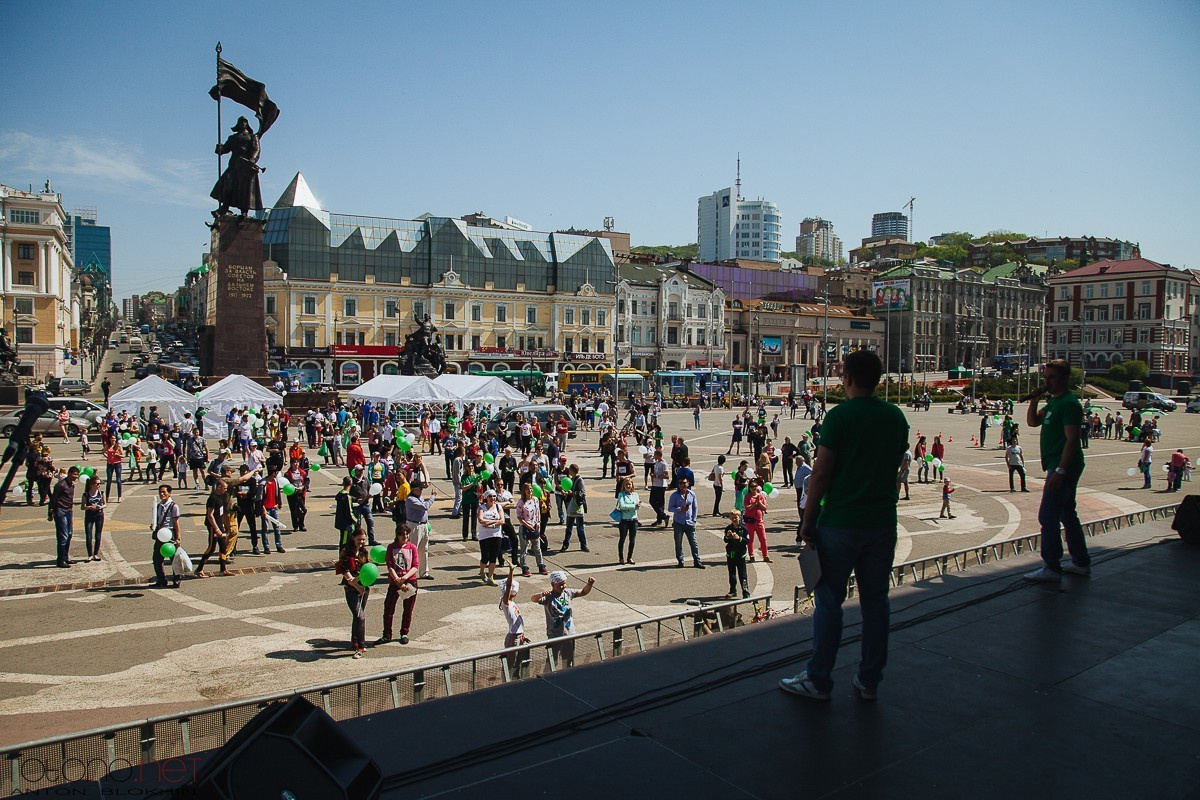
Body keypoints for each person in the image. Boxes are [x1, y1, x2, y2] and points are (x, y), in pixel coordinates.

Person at [780, 349, 908, 702]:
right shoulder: (896, 417)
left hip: (840, 522)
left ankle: (819, 679)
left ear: (847, 377)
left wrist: (808, 521)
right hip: (882, 521)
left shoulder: (839, 417)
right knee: (876, 602)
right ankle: (869, 680)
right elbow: (897, 461)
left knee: (829, 601)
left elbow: (821, 474)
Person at [1023, 359, 1090, 582]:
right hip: (1058, 464)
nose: (1047, 381)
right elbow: (1033, 422)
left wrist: (1060, 470)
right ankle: (1080, 562)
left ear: (1064, 378)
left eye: (1051, 377)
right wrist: (1034, 401)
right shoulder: (1053, 402)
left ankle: (1051, 567)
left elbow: (1073, 440)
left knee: (1048, 515)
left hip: (1063, 466)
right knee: (1067, 513)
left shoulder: (1069, 403)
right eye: (1045, 377)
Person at [532, 571, 595, 668]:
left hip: (569, 634)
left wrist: (590, 584)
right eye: (560, 584)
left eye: (564, 583)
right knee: (552, 662)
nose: (563, 586)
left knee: (568, 662)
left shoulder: (568, 593)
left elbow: (583, 592)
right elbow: (533, 599)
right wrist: (541, 595)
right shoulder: (548, 597)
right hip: (554, 636)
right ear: (553, 584)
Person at [378, 524, 419, 645]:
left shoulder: (412, 547)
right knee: (388, 608)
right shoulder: (391, 547)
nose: (405, 537)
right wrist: (397, 579)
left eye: (406, 534)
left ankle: (404, 632)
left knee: (408, 609)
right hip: (395, 582)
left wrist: (405, 578)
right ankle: (387, 634)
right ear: (397, 535)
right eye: (402, 535)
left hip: (410, 581)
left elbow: (415, 566)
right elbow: (390, 565)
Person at [336, 527, 371, 658]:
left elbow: (367, 569)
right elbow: (345, 572)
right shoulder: (346, 551)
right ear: (353, 538)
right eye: (359, 539)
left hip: (364, 587)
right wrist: (358, 588)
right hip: (351, 588)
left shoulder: (364, 552)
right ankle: (361, 646)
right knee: (360, 616)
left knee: (358, 615)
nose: (361, 542)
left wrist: (365, 586)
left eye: (363, 539)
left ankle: (354, 640)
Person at [194, 479, 232, 577]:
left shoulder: (221, 497)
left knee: (223, 546)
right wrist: (217, 529)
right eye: (224, 488)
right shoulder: (212, 498)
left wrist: (223, 525)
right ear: (219, 487)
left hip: (220, 524)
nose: (225, 490)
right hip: (213, 526)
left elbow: (220, 513)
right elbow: (210, 515)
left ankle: (223, 569)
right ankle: (199, 569)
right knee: (211, 548)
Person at [667, 476, 704, 569]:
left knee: (694, 543)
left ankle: (697, 561)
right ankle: (680, 561)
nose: (682, 485)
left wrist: (694, 519)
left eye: (684, 483)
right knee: (678, 543)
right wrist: (680, 509)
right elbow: (670, 508)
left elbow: (695, 507)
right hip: (678, 522)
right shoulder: (674, 495)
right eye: (680, 483)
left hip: (689, 522)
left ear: (688, 483)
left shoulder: (692, 494)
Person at [150, 484, 181, 588]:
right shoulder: (159, 506)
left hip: (170, 534)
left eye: (164, 492)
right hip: (160, 534)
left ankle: (176, 579)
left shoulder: (173, 506)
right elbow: (157, 519)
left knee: (173, 558)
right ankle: (161, 579)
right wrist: (153, 525)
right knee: (157, 559)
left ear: (169, 493)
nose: (162, 494)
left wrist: (178, 537)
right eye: (160, 492)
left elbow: (176, 523)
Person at [404, 481, 436, 580]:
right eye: (419, 489)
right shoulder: (410, 499)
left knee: (424, 549)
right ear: (413, 490)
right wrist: (433, 497)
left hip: (423, 525)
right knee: (413, 550)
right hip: (414, 526)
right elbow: (425, 506)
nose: (421, 491)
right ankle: (409, 572)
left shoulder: (419, 497)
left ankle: (424, 572)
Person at [50, 466, 80, 568]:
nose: (76, 476)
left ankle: (66, 557)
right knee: (63, 537)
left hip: (68, 510)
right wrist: (51, 512)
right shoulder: (61, 485)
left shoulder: (72, 485)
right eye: (74, 474)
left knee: (70, 534)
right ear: (69, 473)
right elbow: (53, 499)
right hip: (60, 510)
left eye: (77, 474)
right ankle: (60, 560)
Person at [515, 482, 546, 577]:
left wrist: (539, 522)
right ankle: (524, 567)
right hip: (525, 527)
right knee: (524, 549)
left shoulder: (535, 499)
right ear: (524, 491)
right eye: (528, 489)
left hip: (535, 526)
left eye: (531, 489)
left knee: (537, 547)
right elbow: (519, 516)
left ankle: (541, 565)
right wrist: (527, 525)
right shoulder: (521, 502)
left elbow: (538, 512)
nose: (530, 491)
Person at [477, 489, 505, 585]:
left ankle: (490, 577)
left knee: (493, 557)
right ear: (486, 498)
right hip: (484, 536)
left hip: (496, 535)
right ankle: (482, 570)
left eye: (494, 496)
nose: (492, 498)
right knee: (485, 557)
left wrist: (491, 524)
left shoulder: (498, 507)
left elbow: (502, 521)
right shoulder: (482, 508)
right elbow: (481, 520)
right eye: (490, 496)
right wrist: (494, 522)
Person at [560, 465, 589, 552]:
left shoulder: (579, 480)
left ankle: (583, 545)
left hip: (577, 506)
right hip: (571, 506)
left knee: (580, 527)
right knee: (569, 527)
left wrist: (572, 493)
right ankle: (565, 544)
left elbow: (582, 492)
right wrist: (566, 493)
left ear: (572, 470)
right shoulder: (571, 479)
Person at [723, 510, 750, 599]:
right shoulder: (728, 528)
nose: (734, 519)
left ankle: (745, 591)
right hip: (731, 554)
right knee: (732, 574)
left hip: (740, 554)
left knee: (742, 575)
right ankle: (733, 590)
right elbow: (725, 540)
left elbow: (747, 541)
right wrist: (728, 536)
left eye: (736, 517)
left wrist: (739, 538)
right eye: (732, 518)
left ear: (739, 517)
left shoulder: (744, 529)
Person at [615, 477, 641, 565]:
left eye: (629, 484)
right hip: (624, 520)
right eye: (626, 484)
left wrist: (631, 506)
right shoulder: (621, 494)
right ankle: (621, 557)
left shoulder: (635, 494)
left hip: (634, 520)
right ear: (624, 486)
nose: (628, 486)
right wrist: (633, 505)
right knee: (622, 539)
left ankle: (629, 557)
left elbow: (639, 506)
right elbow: (622, 506)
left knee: (632, 540)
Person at [81, 475, 105, 562]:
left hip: (99, 515)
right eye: (97, 484)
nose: (98, 485)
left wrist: (101, 507)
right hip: (89, 516)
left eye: (99, 484)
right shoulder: (86, 494)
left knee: (98, 535)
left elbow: (104, 504)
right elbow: (82, 507)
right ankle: (89, 555)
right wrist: (90, 507)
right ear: (91, 484)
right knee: (89, 535)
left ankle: (96, 554)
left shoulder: (101, 493)